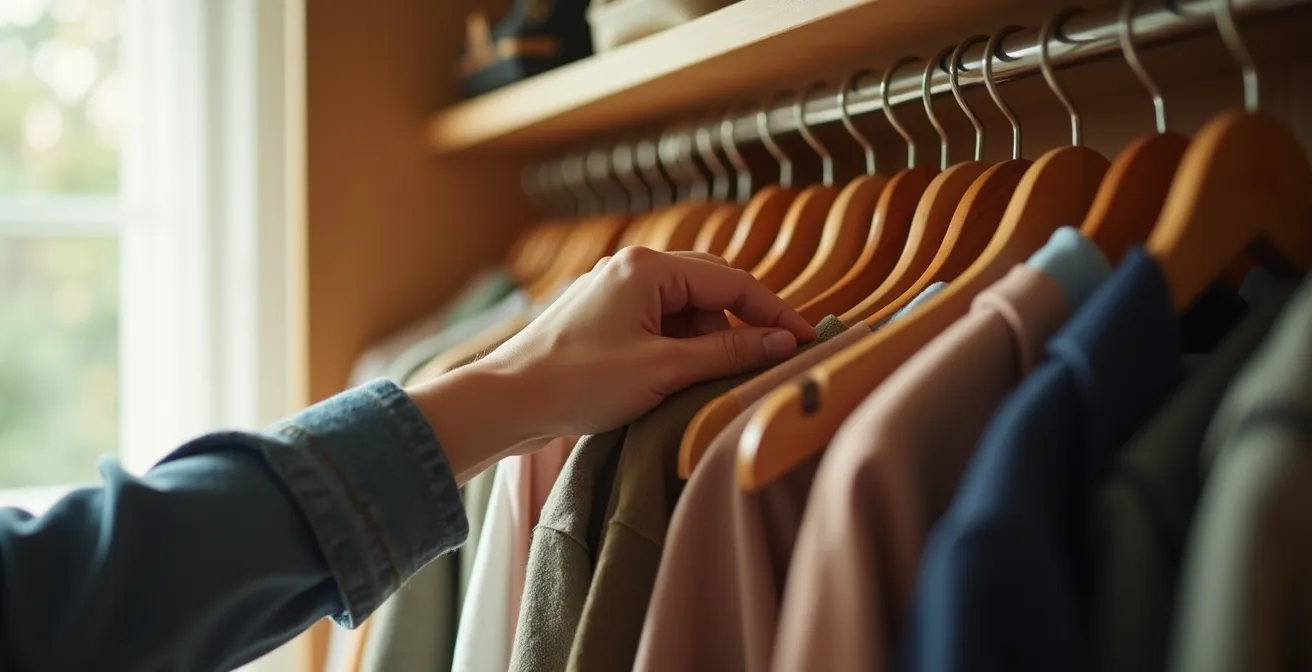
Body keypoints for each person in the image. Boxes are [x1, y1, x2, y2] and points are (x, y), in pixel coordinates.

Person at [0, 248, 815, 672]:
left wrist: (518, 389)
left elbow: (73, 591)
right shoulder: (640, 466)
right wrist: (514, 390)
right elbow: (77, 595)